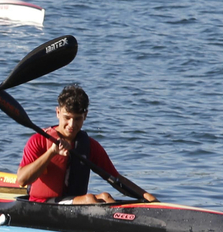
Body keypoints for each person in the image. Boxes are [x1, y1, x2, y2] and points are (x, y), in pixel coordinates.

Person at [16, 84, 157, 205]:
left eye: (77, 119)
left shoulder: (89, 145)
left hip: (73, 202)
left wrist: (148, 197)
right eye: (67, 118)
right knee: (90, 199)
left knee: (106, 197)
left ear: (85, 116)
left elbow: (116, 179)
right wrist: (51, 153)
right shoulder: (38, 140)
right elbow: (22, 180)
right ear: (58, 112)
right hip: (42, 204)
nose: (71, 125)